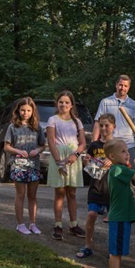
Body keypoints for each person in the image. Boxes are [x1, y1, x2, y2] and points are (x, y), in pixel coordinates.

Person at [103, 139, 135, 268]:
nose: (127, 153)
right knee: (115, 252)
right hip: (119, 218)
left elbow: (125, 185)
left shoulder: (118, 170)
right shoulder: (119, 169)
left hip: (122, 217)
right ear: (112, 156)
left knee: (118, 252)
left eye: (128, 150)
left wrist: (132, 188)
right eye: (123, 151)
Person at [47, 90, 86, 240]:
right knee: (60, 193)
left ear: (71, 105)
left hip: (73, 157)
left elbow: (82, 143)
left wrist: (75, 155)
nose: (63, 104)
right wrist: (59, 162)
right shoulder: (53, 119)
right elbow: (51, 141)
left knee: (72, 193)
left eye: (67, 102)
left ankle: (73, 224)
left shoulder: (77, 121)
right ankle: (58, 225)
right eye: (61, 102)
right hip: (59, 156)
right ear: (57, 103)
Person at [4, 97, 46, 235]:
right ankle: (20, 224)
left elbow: (42, 145)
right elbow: (7, 147)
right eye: (23, 110)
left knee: (32, 195)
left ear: (32, 111)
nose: (25, 113)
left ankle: (33, 223)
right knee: (20, 194)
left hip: (34, 165)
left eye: (28, 110)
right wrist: (18, 151)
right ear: (18, 110)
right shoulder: (12, 127)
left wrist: (37, 151)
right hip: (18, 165)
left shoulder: (37, 127)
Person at [76, 113, 115, 258]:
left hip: (111, 190)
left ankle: (112, 250)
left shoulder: (117, 145)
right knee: (91, 214)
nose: (104, 128)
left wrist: (113, 163)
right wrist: (86, 163)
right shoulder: (94, 145)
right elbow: (90, 172)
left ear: (113, 127)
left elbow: (124, 166)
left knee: (112, 220)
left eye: (107, 125)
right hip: (96, 187)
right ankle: (87, 246)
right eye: (101, 125)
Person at [92, 74, 135, 165]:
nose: (122, 88)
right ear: (116, 85)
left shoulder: (134, 105)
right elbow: (97, 123)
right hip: (109, 145)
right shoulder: (105, 102)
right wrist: (94, 143)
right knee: (107, 175)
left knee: (128, 175)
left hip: (128, 146)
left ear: (129, 87)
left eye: (125, 86)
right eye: (120, 85)